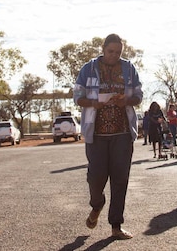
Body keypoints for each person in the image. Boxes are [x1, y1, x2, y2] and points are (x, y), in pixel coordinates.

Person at [74, 34, 143, 240]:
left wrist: (127, 100)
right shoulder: (89, 68)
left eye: (118, 52)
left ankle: (116, 225)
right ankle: (97, 205)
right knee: (96, 178)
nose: (114, 56)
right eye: (111, 51)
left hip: (122, 133)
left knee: (120, 180)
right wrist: (94, 103)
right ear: (103, 49)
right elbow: (78, 97)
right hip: (96, 134)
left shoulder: (129, 69)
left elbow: (139, 96)